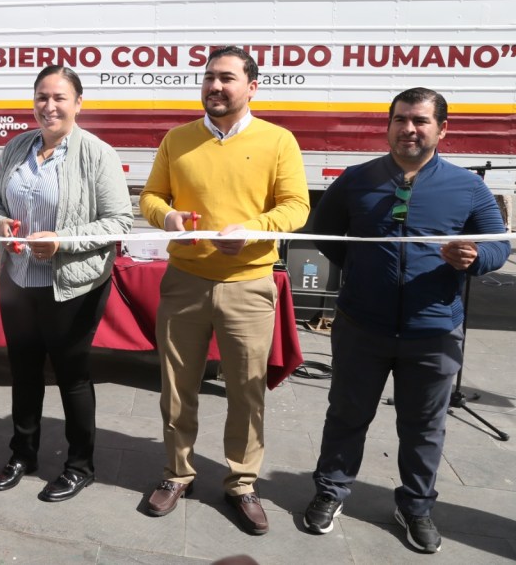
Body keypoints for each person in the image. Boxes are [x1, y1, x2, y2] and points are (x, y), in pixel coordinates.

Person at [302, 88, 510, 553]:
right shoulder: (357, 179)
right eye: (400, 120)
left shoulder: (467, 187)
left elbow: (500, 244)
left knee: (423, 426)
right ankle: (331, 492)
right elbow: (324, 232)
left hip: (433, 331)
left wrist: (475, 257)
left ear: (442, 129)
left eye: (419, 121)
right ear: (389, 125)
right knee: (347, 416)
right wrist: (359, 272)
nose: (409, 129)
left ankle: (415, 505)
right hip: (361, 326)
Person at [139, 46, 309, 533]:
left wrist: (253, 230)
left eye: (227, 78)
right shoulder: (178, 139)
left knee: (247, 391)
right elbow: (151, 196)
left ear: (252, 86)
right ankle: (177, 473)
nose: (215, 86)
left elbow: (296, 207)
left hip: (249, 285)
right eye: (209, 77)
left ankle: (242, 482)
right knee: (176, 387)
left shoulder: (279, 141)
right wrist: (166, 216)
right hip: (184, 282)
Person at [0, 65, 134, 502]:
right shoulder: (16, 148)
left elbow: (120, 221)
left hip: (73, 286)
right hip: (19, 280)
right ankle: (22, 454)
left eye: (59, 97)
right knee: (24, 373)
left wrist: (62, 242)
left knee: (72, 377)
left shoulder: (96, 154)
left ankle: (79, 466)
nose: (49, 106)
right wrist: (0, 222)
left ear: (78, 104)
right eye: (42, 97)